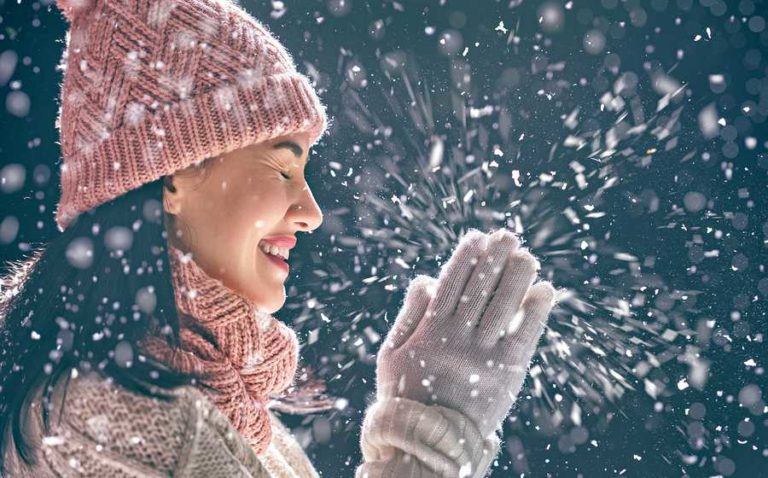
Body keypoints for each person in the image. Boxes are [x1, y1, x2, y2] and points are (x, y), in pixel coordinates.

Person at [0, 0, 557, 476]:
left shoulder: (213, 405)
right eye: (282, 168)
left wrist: (420, 422)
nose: (310, 212)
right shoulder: (107, 417)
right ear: (174, 172)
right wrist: (431, 435)